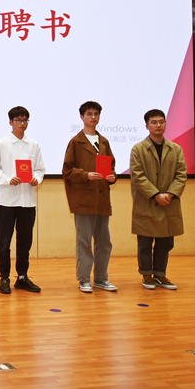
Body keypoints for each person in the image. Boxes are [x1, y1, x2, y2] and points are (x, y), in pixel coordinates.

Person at [62, 101, 118, 293]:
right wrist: (86, 175)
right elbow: (67, 170)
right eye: (89, 114)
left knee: (104, 241)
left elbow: (111, 167)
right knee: (84, 241)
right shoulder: (76, 142)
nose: (93, 117)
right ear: (82, 117)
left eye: (96, 114)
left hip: (102, 199)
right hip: (84, 200)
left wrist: (112, 177)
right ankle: (84, 279)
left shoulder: (104, 142)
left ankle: (101, 278)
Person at [0, 106, 45, 294]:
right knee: (4, 243)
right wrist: (7, 180)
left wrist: (37, 179)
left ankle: (22, 277)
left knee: (25, 242)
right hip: (7, 201)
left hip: (28, 201)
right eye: (19, 120)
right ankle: (4, 277)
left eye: (25, 120)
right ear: (10, 122)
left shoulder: (34, 145)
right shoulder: (2, 144)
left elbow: (40, 169)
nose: (22, 123)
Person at [130, 109, 187, 290]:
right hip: (146, 202)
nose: (158, 125)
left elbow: (181, 174)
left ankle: (160, 275)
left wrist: (169, 193)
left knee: (166, 242)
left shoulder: (176, 149)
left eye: (161, 122)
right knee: (145, 243)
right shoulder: (138, 149)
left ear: (165, 124)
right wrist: (155, 194)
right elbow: (138, 176)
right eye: (154, 122)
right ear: (147, 126)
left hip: (168, 203)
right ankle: (147, 275)